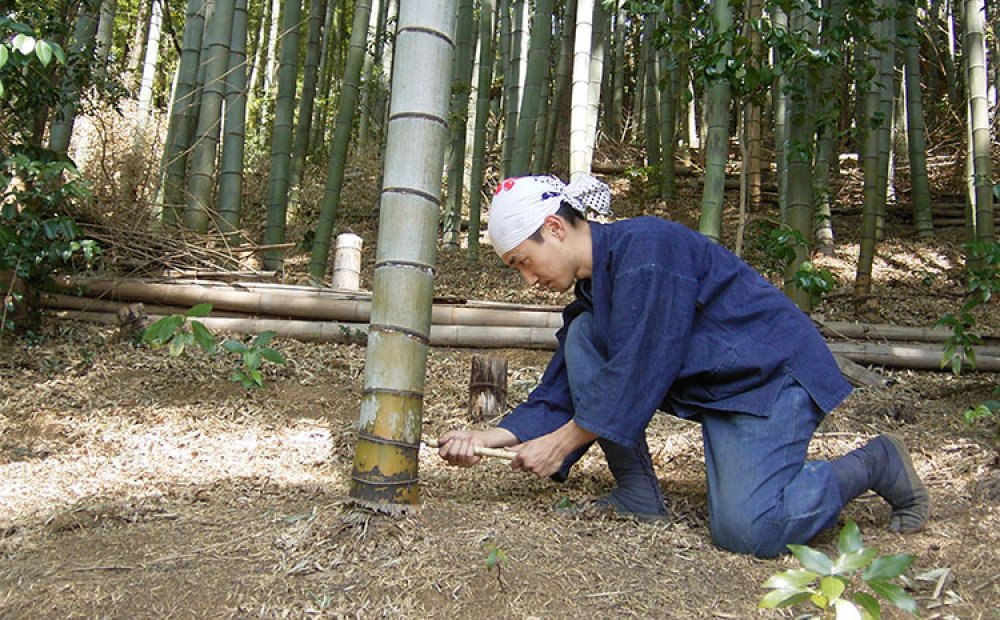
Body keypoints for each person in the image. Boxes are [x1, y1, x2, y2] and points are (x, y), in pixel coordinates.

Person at [436, 174, 930, 558]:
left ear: (555, 228)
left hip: (772, 381)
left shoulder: (649, 249)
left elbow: (640, 367)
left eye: (524, 261)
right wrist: (490, 438)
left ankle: (875, 462)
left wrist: (561, 443)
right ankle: (637, 494)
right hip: (721, 386)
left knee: (750, 532)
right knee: (584, 337)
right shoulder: (594, 290)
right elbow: (564, 386)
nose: (527, 279)